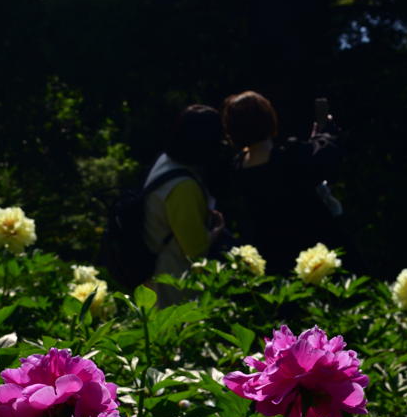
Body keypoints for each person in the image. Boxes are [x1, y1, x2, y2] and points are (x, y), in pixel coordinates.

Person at [222, 91, 351, 276]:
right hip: (304, 257)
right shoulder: (288, 160)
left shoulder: (239, 169)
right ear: (268, 119)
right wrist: (325, 133)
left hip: (267, 257)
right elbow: (327, 153)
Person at [143, 105, 227, 307]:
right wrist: (218, 228)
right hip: (173, 281)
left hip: (152, 270)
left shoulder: (165, 161)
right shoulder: (184, 186)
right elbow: (195, 248)